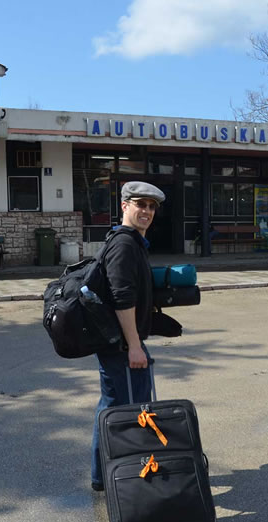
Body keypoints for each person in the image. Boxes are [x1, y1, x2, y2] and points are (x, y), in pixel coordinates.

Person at [89, 181, 164, 492]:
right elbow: (122, 299)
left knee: (112, 406)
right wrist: (134, 346)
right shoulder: (124, 245)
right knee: (127, 410)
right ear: (124, 206)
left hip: (118, 343)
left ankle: (103, 476)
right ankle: (122, 477)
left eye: (151, 206)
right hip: (121, 346)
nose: (146, 211)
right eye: (140, 204)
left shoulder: (130, 242)